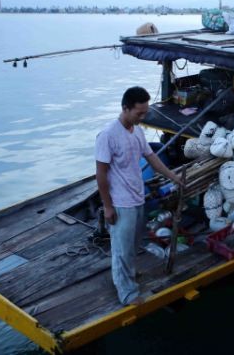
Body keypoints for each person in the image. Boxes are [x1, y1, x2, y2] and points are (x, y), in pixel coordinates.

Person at [95, 86, 182, 305]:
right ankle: (127, 293)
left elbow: (151, 157)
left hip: (137, 196)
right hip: (120, 201)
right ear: (125, 108)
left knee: (134, 244)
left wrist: (173, 176)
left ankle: (130, 275)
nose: (142, 117)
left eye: (145, 113)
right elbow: (101, 174)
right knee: (121, 248)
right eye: (139, 113)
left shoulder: (138, 132)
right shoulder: (107, 135)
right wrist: (107, 207)